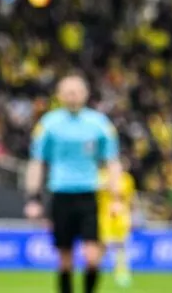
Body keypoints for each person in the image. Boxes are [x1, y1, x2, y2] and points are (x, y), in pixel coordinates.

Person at [25, 75, 124, 293]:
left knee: (92, 256)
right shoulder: (48, 124)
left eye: (76, 91)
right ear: (59, 95)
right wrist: (33, 197)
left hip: (89, 194)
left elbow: (112, 162)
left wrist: (117, 198)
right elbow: (37, 162)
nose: (72, 96)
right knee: (65, 257)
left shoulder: (99, 124)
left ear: (86, 94)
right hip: (61, 194)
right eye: (68, 92)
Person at [97, 157, 137, 288]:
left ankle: (121, 272)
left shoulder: (127, 179)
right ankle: (96, 270)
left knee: (121, 245)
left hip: (121, 218)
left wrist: (132, 216)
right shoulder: (101, 175)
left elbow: (129, 199)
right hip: (103, 216)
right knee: (102, 245)